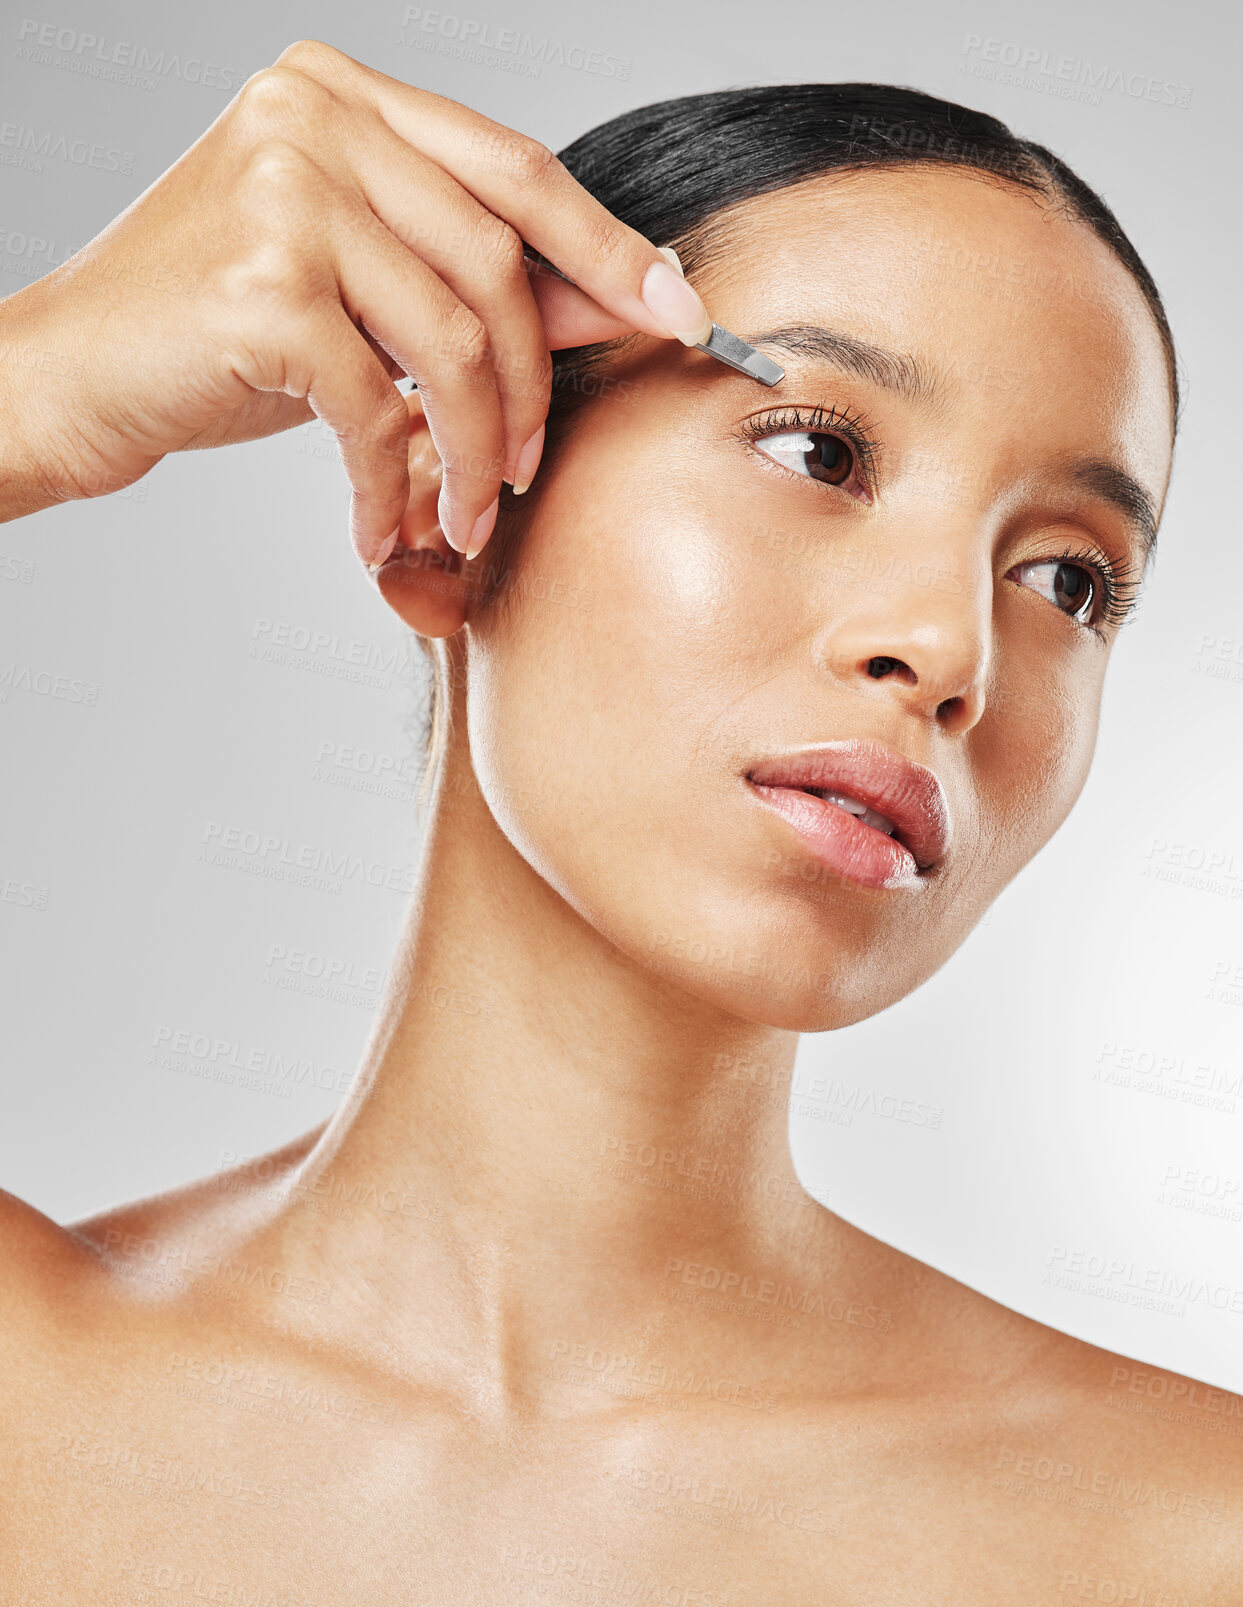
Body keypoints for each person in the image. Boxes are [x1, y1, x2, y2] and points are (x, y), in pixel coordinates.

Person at [1, 40, 1236, 1602]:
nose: (949, 649)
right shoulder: (26, 1400)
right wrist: (30, 380)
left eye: (1068, 577)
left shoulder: (1190, 1540)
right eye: (820, 450)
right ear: (455, 505)